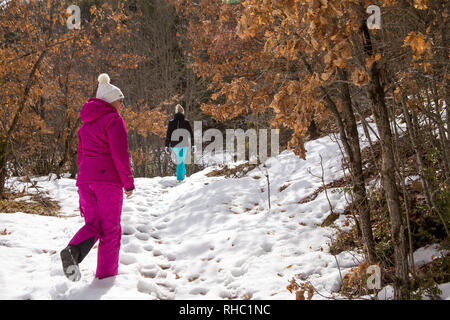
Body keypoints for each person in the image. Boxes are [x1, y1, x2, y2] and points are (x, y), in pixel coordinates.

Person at [60, 73, 135, 281]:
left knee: (94, 225)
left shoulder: (85, 127)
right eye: (121, 101)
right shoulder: (114, 120)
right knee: (110, 229)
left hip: (86, 182)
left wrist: (80, 185)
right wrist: (128, 183)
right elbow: (119, 155)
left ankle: (73, 251)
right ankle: (106, 277)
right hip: (108, 183)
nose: (122, 106)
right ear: (111, 101)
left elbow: (81, 158)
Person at [164, 104, 195, 182]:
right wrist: (193, 145)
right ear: (183, 112)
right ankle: (180, 178)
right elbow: (191, 134)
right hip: (184, 144)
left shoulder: (171, 122)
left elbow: (168, 135)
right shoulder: (186, 122)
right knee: (180, 160)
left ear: (176, 112)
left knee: (180, 159)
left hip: (174, 145)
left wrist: (166, 145)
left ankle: (183, 173)